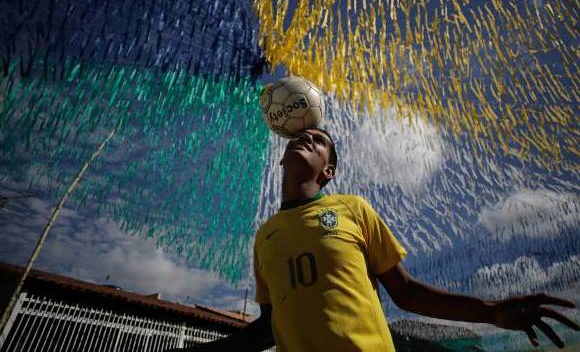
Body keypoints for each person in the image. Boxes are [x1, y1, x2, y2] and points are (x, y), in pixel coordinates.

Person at [167, 128, 579, 352]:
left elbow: (407, 292)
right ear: (281, 158)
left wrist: (491, 312)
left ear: (328, 172)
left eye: (319, 141)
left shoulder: (353, 209)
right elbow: (267, 328)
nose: (306, 139)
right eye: (302, 136)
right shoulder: (265, 237)